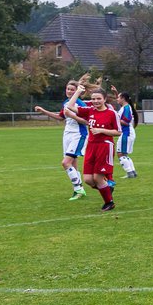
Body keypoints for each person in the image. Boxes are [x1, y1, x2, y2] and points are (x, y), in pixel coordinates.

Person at [63, 74, 120, 211]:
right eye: (93, 99)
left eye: (98, 99)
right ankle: (107, 187)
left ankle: (109, 202)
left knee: (98, 177)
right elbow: (70, 106)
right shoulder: (89, 111)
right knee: (88, 179)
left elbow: (118, 132)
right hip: (91, 147)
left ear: (104, 99)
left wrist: (101, 130)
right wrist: (77, 91)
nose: (95, 101)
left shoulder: (111, 113)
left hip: (104, 146)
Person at [34, 79, 88, 200]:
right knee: (73, 164)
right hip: (67, 135)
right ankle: (78, 190)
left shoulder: (80, 104)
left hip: (78, 135)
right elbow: (60, 117)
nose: (69, 91)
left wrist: (73, 115)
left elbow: (87, 122)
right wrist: (43, 111)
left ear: (77, 92)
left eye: (72, 90)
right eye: (68, 89)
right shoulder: (66, 102)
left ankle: (79, 188)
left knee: (65, 163)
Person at [115, 90, 139, 178]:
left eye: (118, 97)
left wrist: (114, 120)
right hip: (128, 133)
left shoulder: (126, 108)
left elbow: (125, 121)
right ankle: (132, 172)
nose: (117, 99)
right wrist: (116, 92)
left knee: (120, 153)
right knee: (124, 154)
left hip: (126, 133)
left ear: (123, 98)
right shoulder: (125, 107)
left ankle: (129, 173)